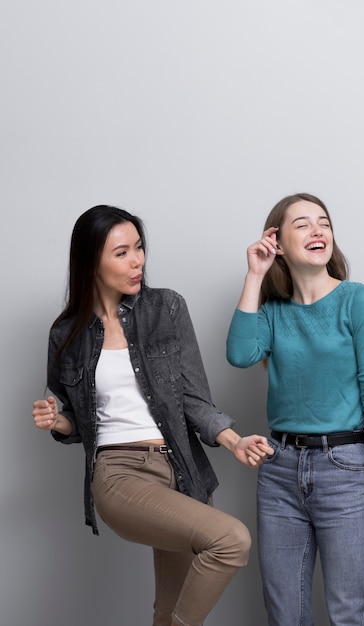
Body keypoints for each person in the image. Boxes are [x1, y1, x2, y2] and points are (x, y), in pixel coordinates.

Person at [32, 205, 273, 626]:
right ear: (91, 262)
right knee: (230, 539)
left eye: (139, 248)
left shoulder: (168, 308)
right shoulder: (65, 333)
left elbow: (194, 399)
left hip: (183, 468)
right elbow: (75, 421)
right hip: (119, 472)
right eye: (122, 252)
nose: (138, 260)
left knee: (170, 609)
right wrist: (58, 419)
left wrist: (234, 440)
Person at [226, 193, 364, 626]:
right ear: (279, 243)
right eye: (303, 225)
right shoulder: (271, 312)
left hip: (343, 469)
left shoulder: (357, 301)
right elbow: (239, 354)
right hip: (279, 471)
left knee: (349, 613)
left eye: (324, 223)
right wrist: (255, 274)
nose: (318, 231)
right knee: (285, 615)